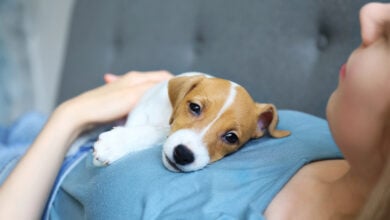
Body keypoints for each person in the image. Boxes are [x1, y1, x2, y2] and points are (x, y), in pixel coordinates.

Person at [0, 2, 389, 219]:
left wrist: (70, 116)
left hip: (26, 180)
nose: (371, 13)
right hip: (43, 134)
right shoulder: (318, 134)